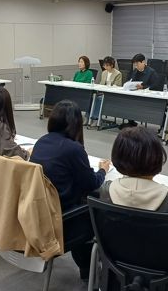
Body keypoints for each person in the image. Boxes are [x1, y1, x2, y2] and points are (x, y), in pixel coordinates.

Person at [30, 100, 110, 279]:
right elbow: (91, 183)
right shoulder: (73, 149)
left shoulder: (42, 142)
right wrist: (103, 170)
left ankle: (88, 269)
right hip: (62, 219)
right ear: (76, 124)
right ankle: (89, 271)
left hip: (39, 215)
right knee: (95, 207)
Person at [88, 56, 123, 127]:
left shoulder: (118, 74)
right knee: (93, 97)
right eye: (104, 65)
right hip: (103, 92)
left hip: (111, 94)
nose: (105, 67)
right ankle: (90, 117)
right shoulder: (104, 73)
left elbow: (118, 86)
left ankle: (96, 119)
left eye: (107, 65)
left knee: (98, 99)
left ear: (112, 65)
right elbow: (101, 84)